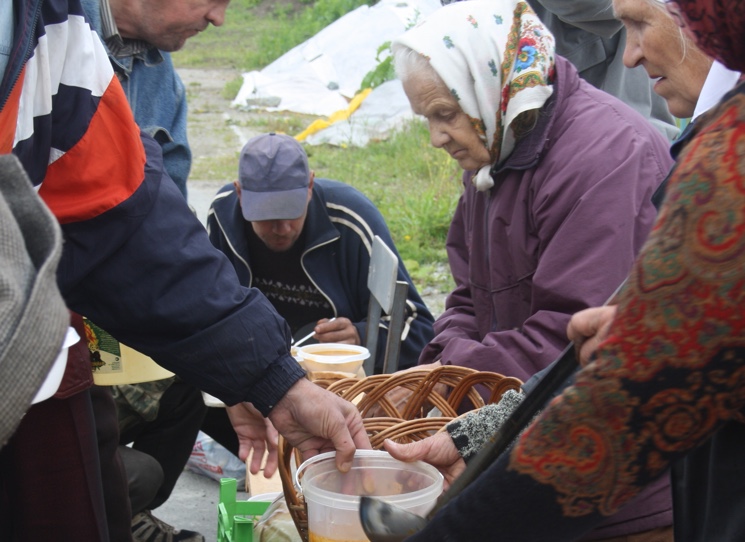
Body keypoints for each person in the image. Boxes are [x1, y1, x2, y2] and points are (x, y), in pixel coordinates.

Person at [0, 1, 370, 540]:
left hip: (36, 365)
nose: (220, 18)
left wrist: (276, 381)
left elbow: (125, 219)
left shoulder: (61, 35)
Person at [383, 0, 745, 540]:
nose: (630, 55)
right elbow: (468, 298)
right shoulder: (495, 153)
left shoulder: (632, 156)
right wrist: (459, 413)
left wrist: (453, 516)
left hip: (624, 506)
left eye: (642, 22)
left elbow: (613, 382)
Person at [78, 0, 222, 538]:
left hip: (113, 320)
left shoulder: (162, 81)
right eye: (217, 0)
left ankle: (127, 512)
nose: (220, 18)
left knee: (186, 392)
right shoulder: (39, 41)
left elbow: (170, 233)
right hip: (43, 330)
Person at [200, 131, 435, 457]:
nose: (281, 229)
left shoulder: (351, 218)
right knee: (178, 380)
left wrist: (361, 335)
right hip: (257, 386)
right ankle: (259, 454)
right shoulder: (223, 216)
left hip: (340, 392)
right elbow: (208, 313)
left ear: (310, 187)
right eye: (267, 217)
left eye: (291, 212)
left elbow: (421, 326)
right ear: (240, 195)